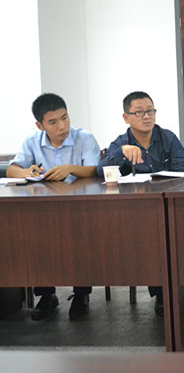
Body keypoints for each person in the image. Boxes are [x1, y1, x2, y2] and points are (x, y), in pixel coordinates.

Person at [7, 93, 100, 320]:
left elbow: (95, 170)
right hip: (44, 211)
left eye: (65, 118)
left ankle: (81, 295)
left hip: (80, 209)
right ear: (40, 125)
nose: (62, 126)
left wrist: (71, 168)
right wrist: (26, 171)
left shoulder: (84, 138)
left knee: (81, 242)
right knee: (36, 241)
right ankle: (47, 295)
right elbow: (11, 169)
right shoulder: (32, 142)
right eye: (53, 122)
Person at [98, 91, 184, 317]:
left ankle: (179, 290)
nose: (147, 116)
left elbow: (183, 170)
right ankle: (161, 293)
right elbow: (101, 171)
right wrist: (121, 154)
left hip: (169, 207)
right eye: (139, 112)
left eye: (150, 111)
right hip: (136, 212)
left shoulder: (167, 138)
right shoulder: (121, 142)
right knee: (149, 238)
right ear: (126, 117)